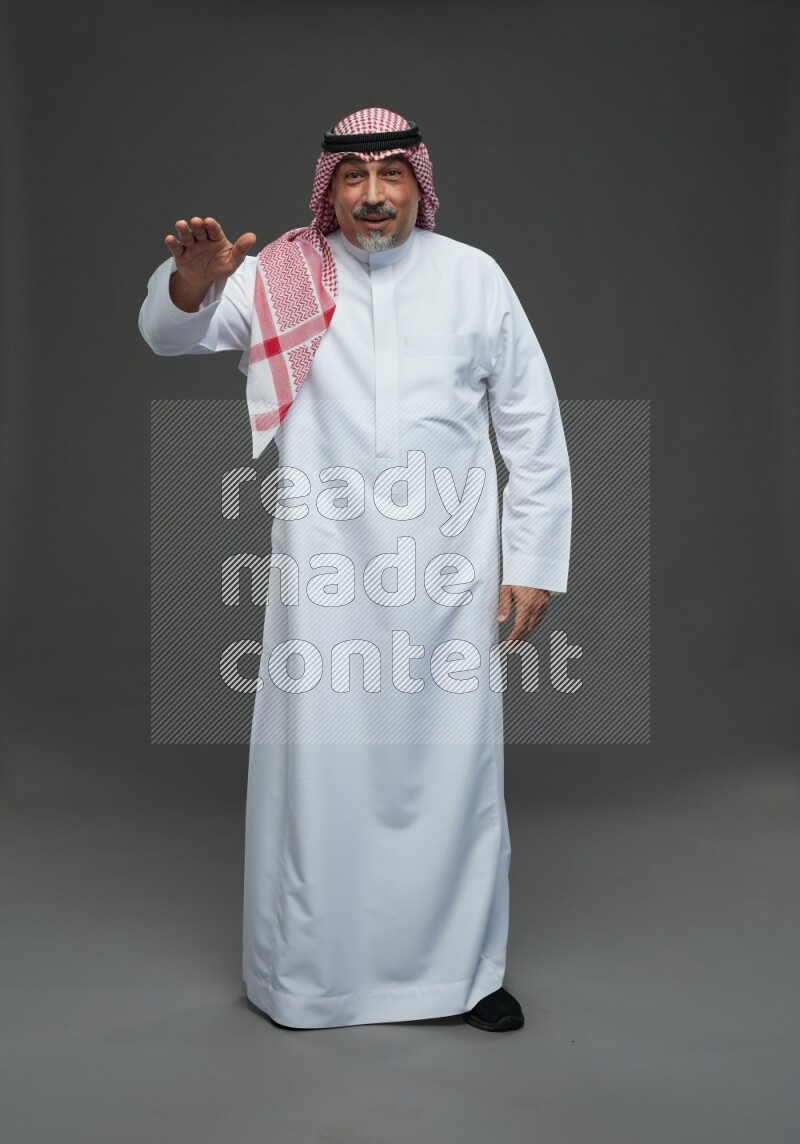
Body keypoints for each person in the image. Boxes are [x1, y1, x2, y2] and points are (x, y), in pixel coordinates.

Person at [138, 107, 572, 1032]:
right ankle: (311, 980)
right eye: (353, 178)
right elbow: (168, 337)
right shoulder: (283, 276)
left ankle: (461, 976)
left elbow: (532, 428)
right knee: (319, 771)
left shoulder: (472, 278)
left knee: (453, 770)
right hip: (324, 577)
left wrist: (532, 559)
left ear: (420, 182)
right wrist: (190, 282)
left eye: (391, 175)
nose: (373, 195)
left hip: (452, 575)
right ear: (328, 189)